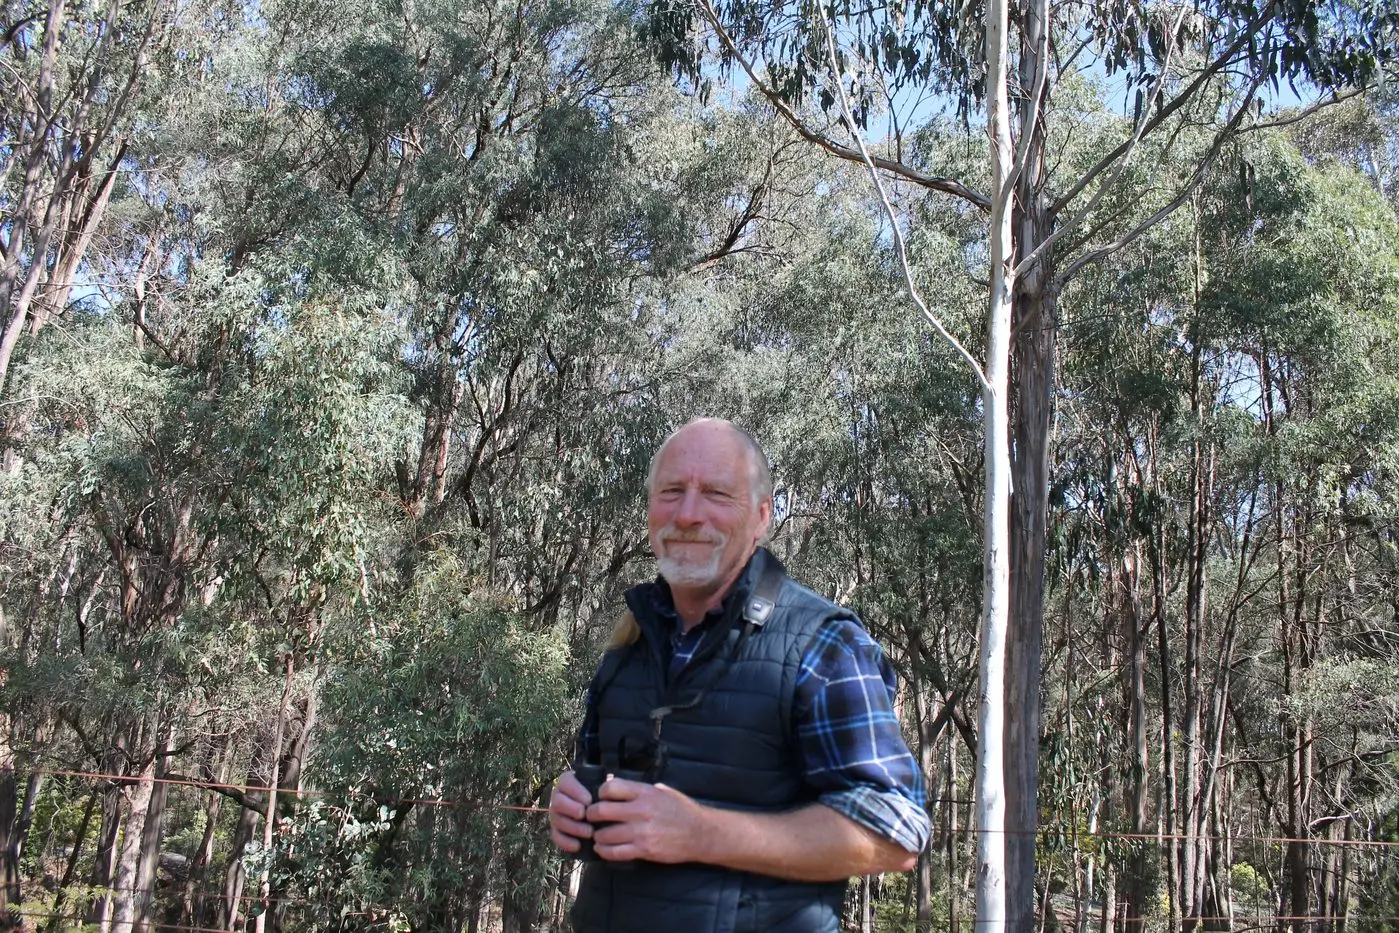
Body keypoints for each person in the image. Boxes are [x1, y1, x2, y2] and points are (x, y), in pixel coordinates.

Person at [548, 418, 930, 933]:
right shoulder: (630, 641)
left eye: (716, 494)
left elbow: (896, 833)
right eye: (672, 491)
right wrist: (574, 801)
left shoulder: (823, 645)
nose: (688, 514)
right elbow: (597, 772)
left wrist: (701, 833)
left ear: (761, 516)